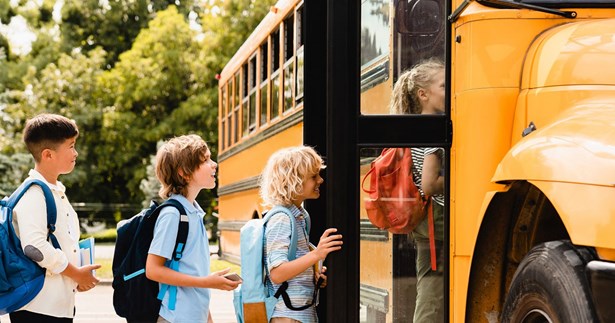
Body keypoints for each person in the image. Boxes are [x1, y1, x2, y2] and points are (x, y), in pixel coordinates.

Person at [11, 113, 101, 323]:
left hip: (56, 308)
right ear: (48, 155)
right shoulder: (34, 194)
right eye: (70, 146)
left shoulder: (55, 192)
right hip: (38, 309)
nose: (76, 153)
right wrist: (75, 274)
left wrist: (76, 276)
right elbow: (35, 247)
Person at [145, 134, 240, 323]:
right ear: (184, 173)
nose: (214, 164)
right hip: (175, 317)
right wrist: (207, 282)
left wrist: (207, 317)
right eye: (205, 160)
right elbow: (153, 270)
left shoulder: (194, 212)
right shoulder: (173, 214)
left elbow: (192, 274)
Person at [260, 146, 344, 323]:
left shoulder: (299, 217)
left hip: (300, 313)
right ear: (293, 181)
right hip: (287, 316)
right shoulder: (282, 219)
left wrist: (312, 276)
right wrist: (316, 254)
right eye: (314, 176)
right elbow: (277, 273)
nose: (321, 180)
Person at [390, 58, 445, 322]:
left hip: (428, 223)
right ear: (423, 94)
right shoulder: (433, 130)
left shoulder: (420, 125)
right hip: (438, 223)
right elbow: (430, 184)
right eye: (444, 85)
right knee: (432, 294)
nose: (449, 90)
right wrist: (461, 175)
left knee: (430, 287)